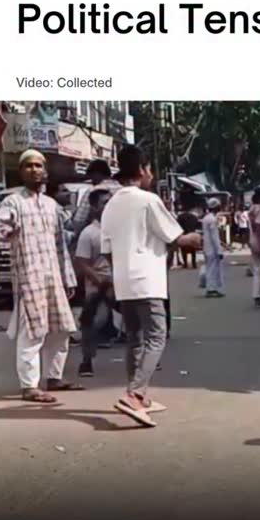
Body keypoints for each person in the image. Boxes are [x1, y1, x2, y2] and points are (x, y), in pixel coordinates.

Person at [100, 145, 202, 427]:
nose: (152, 175)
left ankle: (139, 394)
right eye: (150, 169)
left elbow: (106, 250)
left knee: (135, 339)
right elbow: (176, 237)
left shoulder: (111, 205)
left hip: (124, 281)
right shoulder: (147, 200)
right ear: (142, 169)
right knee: (157, 335)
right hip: (147, 280)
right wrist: (194, 238)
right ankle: (134, 394)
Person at [0, 150, 81, 403]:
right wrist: (7, 229)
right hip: (29, 276)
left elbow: (61, 245)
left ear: (45, 171)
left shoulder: (51, 206)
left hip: (53, 276)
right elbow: (1, 225)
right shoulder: (13, 202)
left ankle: (54, 377)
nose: (34, 170)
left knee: (62, 329)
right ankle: (29, 386)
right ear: (21, 171)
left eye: (38, 165)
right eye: (28, 166)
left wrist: (68, 278)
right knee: (33, 331)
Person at [74, 188, 114, 377]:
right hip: (98, 286)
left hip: (120, 283)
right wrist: (99, 281)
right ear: (94, 207)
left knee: (137, 320)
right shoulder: (88, 233)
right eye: (104, 202)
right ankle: (87, 361)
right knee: (92, 322)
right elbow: (81, 263)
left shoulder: (119, 229)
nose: (109, 206)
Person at [202, 198, 225, 298]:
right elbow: (214, 237)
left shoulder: (206, 218)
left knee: (209, 268)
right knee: (213, 269)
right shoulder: (212, 219)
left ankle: (211, 288)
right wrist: (219, 250)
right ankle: (211, 289)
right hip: (212, 249)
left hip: (207, 247)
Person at [177, 195, 200, 269]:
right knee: (193, 249)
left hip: (184, 235)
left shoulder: (180, 217)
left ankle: (185, 264)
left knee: (183, 249)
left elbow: (177, 226)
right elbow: (197, 225)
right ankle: (194, 264)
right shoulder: (194, 217)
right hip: (192, 234)